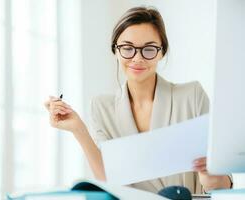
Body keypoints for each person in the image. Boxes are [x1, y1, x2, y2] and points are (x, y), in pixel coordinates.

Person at [44, 6, 232, 194]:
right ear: (115, 51)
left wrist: (211, 179)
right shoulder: (102, 107)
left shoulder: (192, 96)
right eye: (127, 48)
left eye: (149, 49)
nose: (138, 58)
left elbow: (222, 183)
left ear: (161, 52)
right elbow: (108, 180)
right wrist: (79, 129)